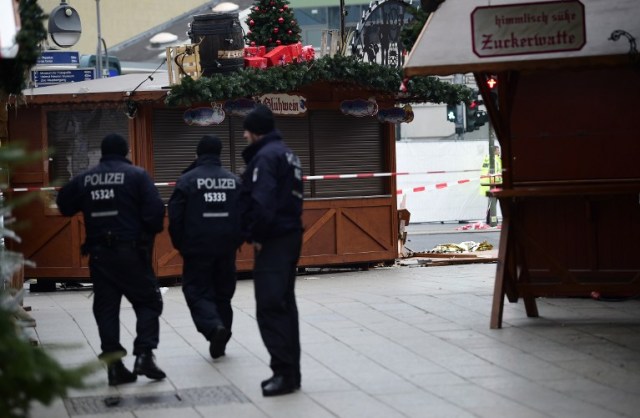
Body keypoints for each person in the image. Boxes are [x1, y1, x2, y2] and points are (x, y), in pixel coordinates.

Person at [56, 133, 166, 386]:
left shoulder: (87, 178)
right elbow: (155, 213)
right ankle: (144, 355)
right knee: (148, 302)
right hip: (132, 253)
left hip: (99, 256)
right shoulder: (137, 176)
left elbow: (64, 205)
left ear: (103, 153)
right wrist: (145, 234)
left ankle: (115, 367)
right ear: (126, 151)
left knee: (106, 310)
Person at [239, 104, 304, 397]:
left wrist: (256, 234)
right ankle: (291, 372)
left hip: (274, 239)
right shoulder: (288, 154)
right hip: (289, 235)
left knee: (270, 306)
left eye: (246, 131)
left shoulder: (266, 158)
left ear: (255, 132)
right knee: (285, 306)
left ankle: (283, 373)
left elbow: (262, 202)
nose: (243, 137)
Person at [167, 135, 240, 359]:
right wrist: (236, 241)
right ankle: (221, 336)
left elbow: (175, 215)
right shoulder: (234, 180)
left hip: (197, 248)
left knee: (196, 292)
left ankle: (213, 328)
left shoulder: (187, 180)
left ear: (197, 154)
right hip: (227, 248)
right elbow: (246, 213)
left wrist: (181, 245)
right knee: (223, 295)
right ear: (219, 154)